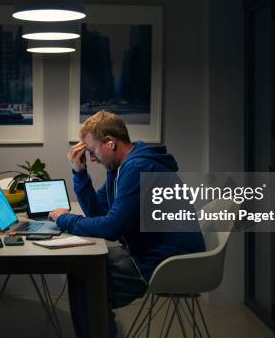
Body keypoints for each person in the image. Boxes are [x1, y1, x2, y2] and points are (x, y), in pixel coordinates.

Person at [48, 110, 205, 338]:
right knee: (80, 270)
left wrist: (64, 219)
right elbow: (97, 212)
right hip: (148, 251)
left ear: (110, 143)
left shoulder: (138, 168)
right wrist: (79, 172)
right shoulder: (120, 168)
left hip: (170, 261)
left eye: (92, 151)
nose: (91, 158)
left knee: (88, 282)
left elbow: (111, 228)